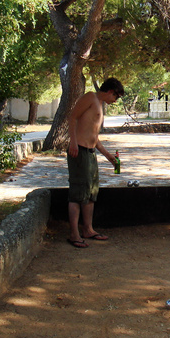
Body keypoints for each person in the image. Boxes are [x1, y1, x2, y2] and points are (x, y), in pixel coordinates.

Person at [66, 77, 125, 248]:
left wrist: (108, 156)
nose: (115, 101)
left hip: (90, 153)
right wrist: (73, 142)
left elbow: (95, 137)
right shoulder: (90, 97)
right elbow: (72, 118)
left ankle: (88, 229)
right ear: (110, 92)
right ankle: (74, 234)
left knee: (91, 192)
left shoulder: (99, 105)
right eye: (116, 97)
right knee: (77, 193)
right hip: (79, 151)